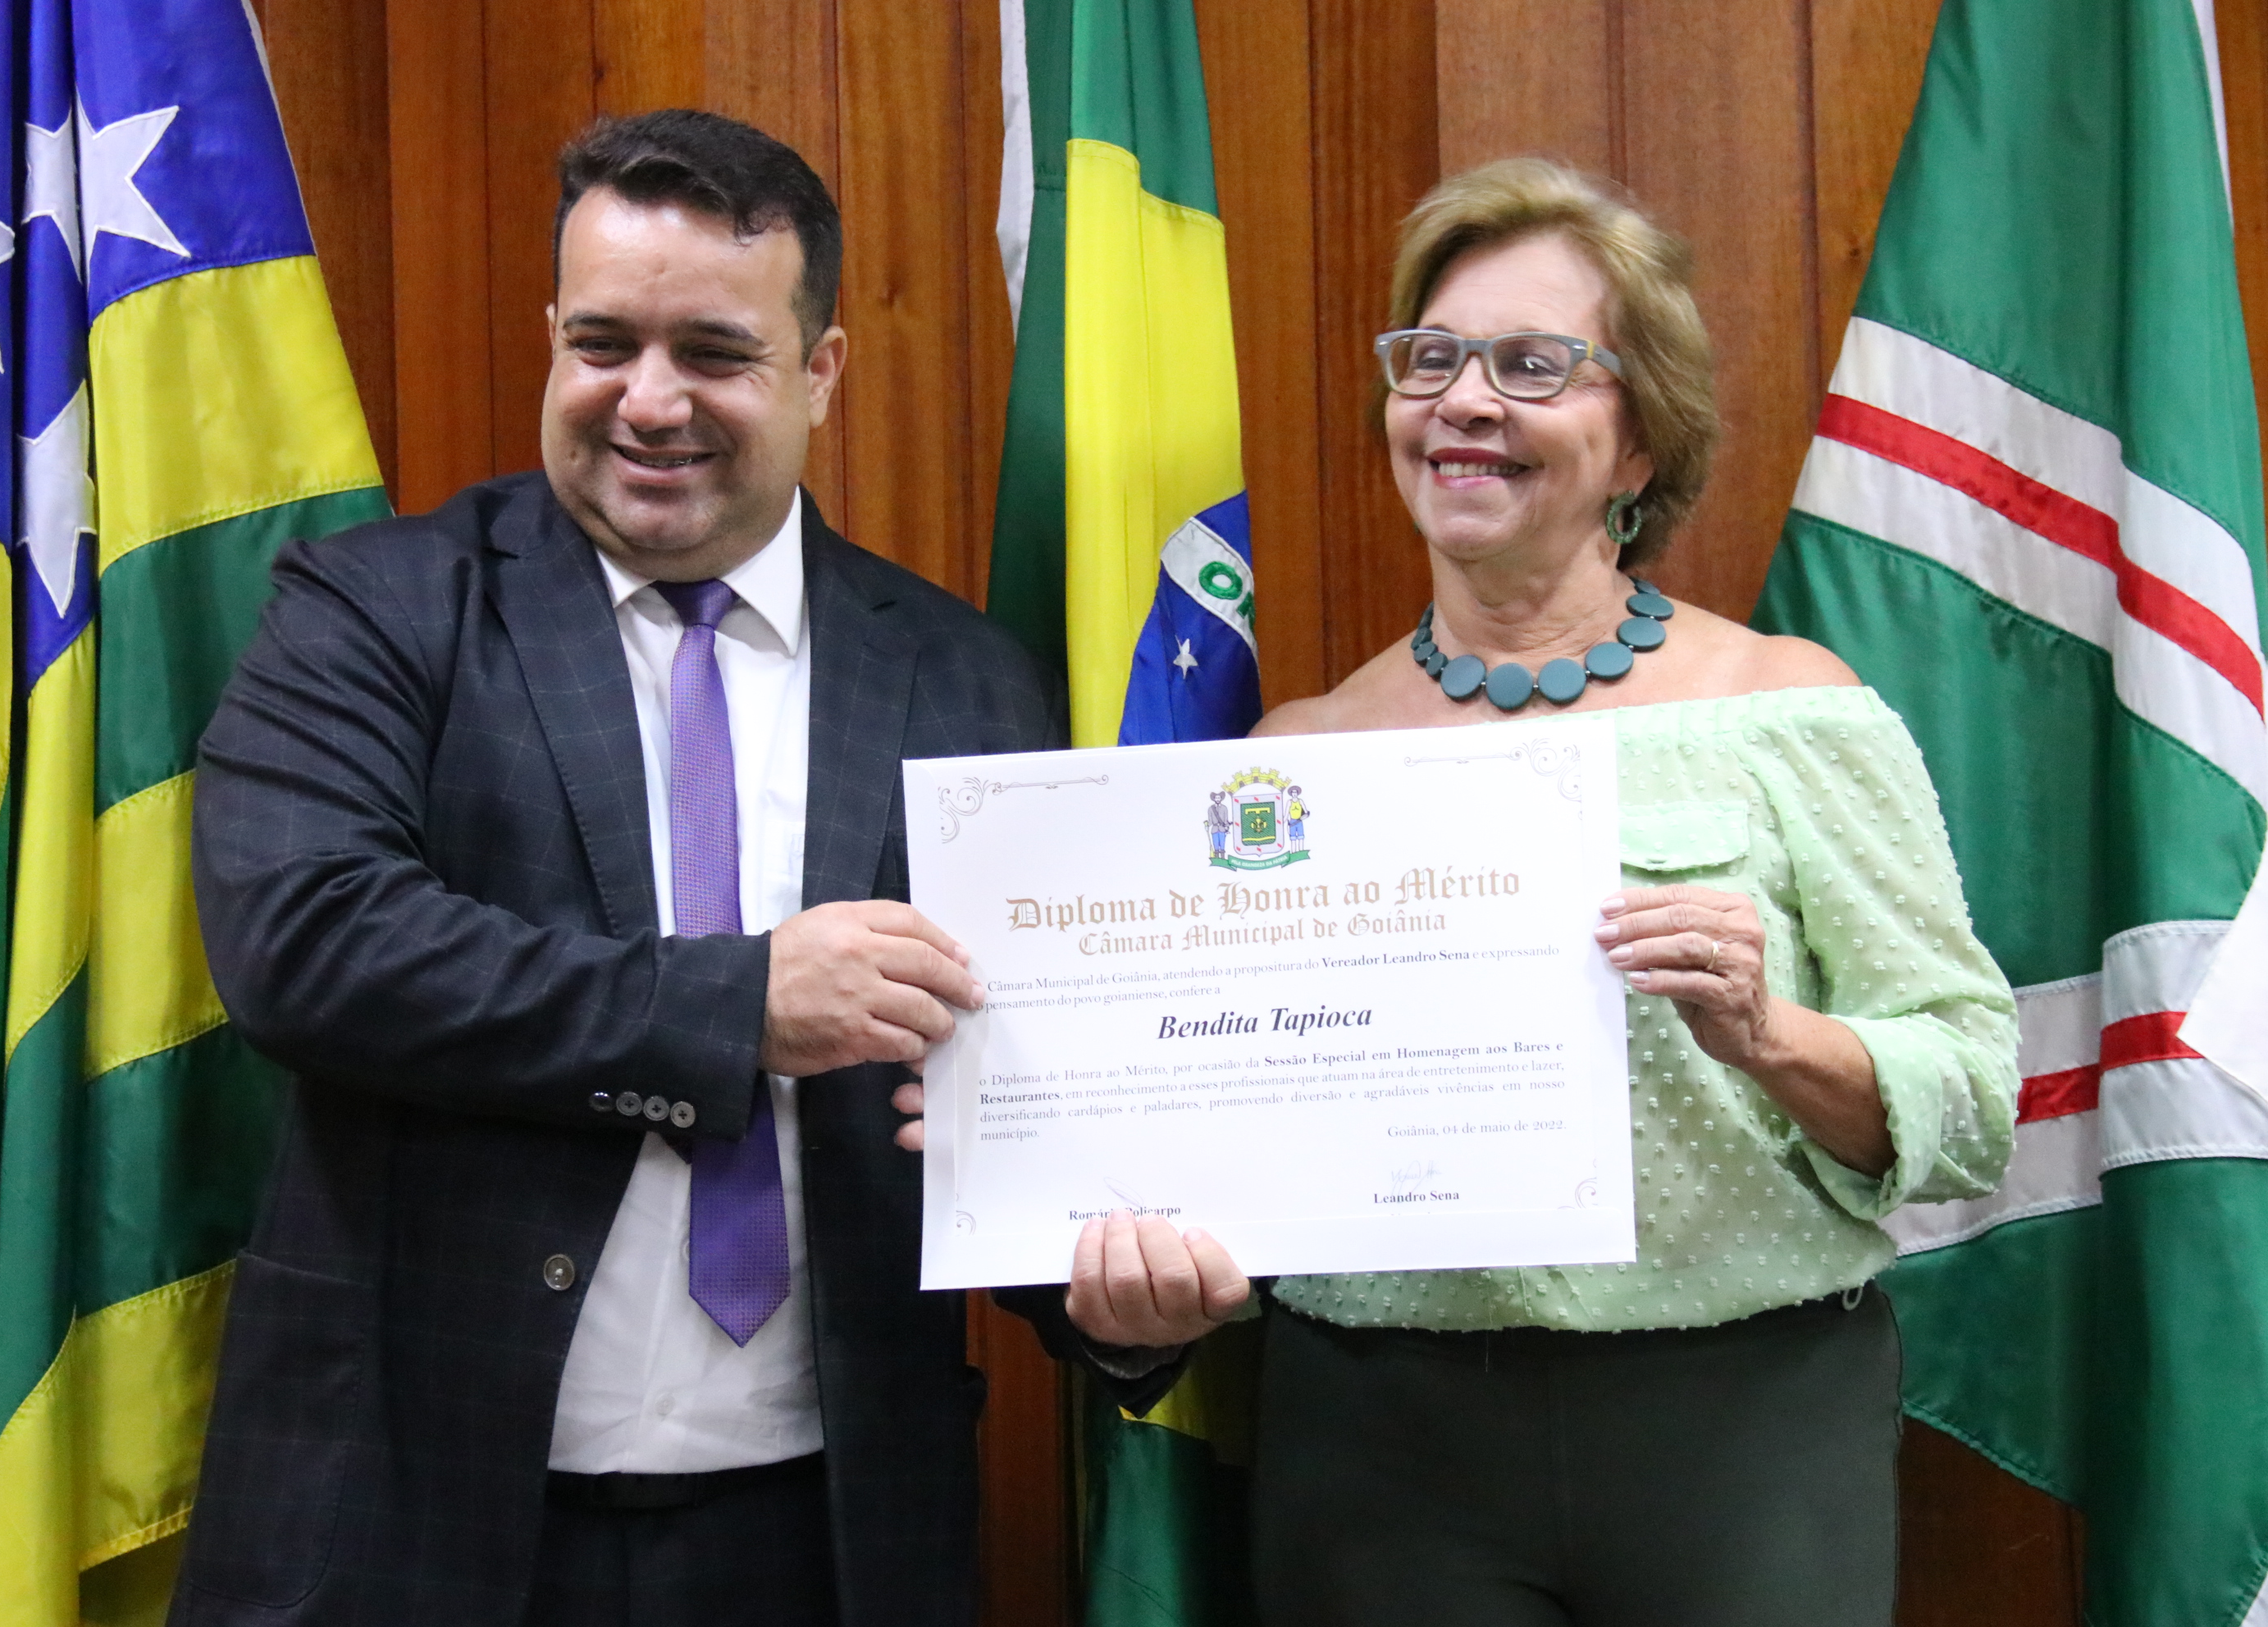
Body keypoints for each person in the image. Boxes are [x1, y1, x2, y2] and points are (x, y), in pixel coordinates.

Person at [170, 110, 1152, 1627]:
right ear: (551, 339)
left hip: (826, 1541)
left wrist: (1118, 1302)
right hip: (414, 1517)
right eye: (602, 342)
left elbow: (998, 1083)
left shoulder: (964, 677)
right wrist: (739, 1006)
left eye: (713, 352)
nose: (647, 400)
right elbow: (307, 947)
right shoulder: (373, 612)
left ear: (821, 370)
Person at [1056, 158, 2023, 1623]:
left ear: (1638, 444)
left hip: (1741, 1424)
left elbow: (1973, 1095)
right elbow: (1217, 1105)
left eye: (1531, 365)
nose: (1464, 401)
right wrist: (1066, 1137)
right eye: (1430, 359)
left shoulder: (1785, 709)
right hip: (1378, 1438)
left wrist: (1771, 1037)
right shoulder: (1289, 765)